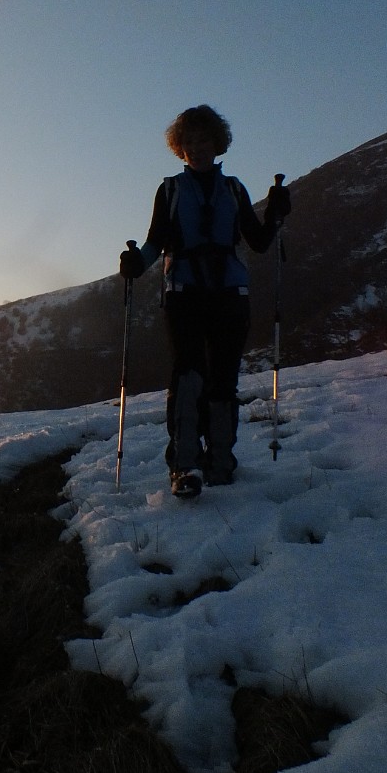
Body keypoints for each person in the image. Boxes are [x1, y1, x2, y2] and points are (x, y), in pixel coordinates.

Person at [119, 105, 290, 499]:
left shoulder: (234, 189)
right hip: (185, 295)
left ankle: (220, 463)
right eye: (189, 141)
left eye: (203, 140)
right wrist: (137, 264)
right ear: (179, 148)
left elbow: (259, 241)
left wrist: (276, 213)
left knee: (224, 380)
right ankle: (185, 465)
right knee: (189, 376)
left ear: (217, 143)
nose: (196, 148)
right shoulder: (171, 190)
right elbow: (156, 241)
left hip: (230, 295)